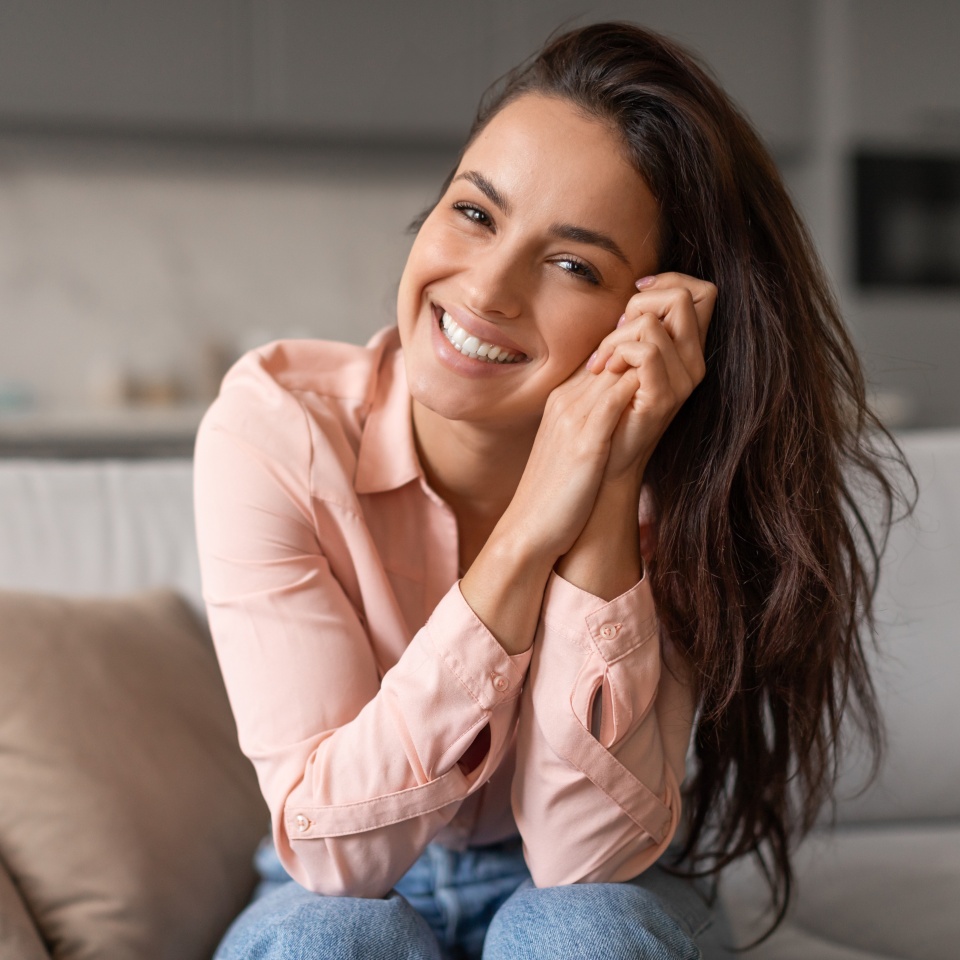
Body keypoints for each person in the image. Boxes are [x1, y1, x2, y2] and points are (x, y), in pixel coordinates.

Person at [194, 21, 904, 960]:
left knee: (581, 930)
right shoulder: (278, 426)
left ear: (649, 317)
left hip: (601, 885)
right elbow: (338, 856)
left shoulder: (687, 486)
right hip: (337, 870)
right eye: (475, 212)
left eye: (574, 265)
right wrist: (532, 526)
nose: (487, 289)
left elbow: (583, 856)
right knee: (324, 936)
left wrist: (610, 482)